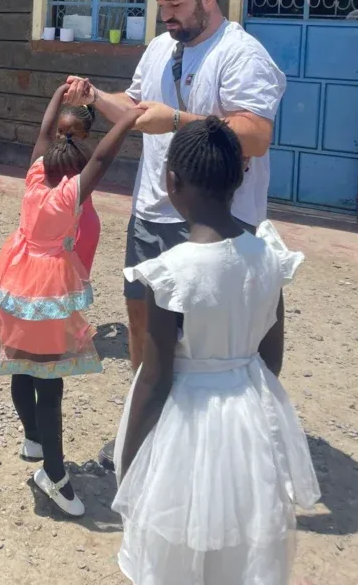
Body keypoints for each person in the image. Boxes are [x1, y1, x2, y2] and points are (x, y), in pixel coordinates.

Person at [65, 0, 286, 469]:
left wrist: (181, 121)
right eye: (161, 7)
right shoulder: (161, 48)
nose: (166, 18)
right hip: (153, 211)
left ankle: (219, 443)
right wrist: (97, 97)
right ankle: (145, 432)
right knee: (144, 328)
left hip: (218, 219)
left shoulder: (242, 55)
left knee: (215, 338)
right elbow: (139, 108)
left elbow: (255, 134)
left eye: (175, 6)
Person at [111, 116, 319, 585]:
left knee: (180, 546)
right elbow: (272, 358)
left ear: (170, 181)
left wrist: (130, 465)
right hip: (248, 419)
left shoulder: (171, 273)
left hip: (183, 425)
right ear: (240, 175)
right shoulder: (268, 255)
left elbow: (155, 378)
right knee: (239, 548)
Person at [0, 83, 141, 517]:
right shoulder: (68, 196)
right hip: (45, 288)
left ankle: (32, 438)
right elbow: (102, 158)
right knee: (50, 384)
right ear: (75, 175)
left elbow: (44, 130)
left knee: (20, 364)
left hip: (14, 276)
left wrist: (55, 92)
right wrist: (127, 120)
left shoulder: (36, 177)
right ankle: (53, 475)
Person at [56, 104, 101, 276]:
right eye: (59, 131)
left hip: (80, 228)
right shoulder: (55, 155)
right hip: (64, 224)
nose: (62, 138)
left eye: (70, 134)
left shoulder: (84, 161)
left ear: (85, 135)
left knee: (73, 281)